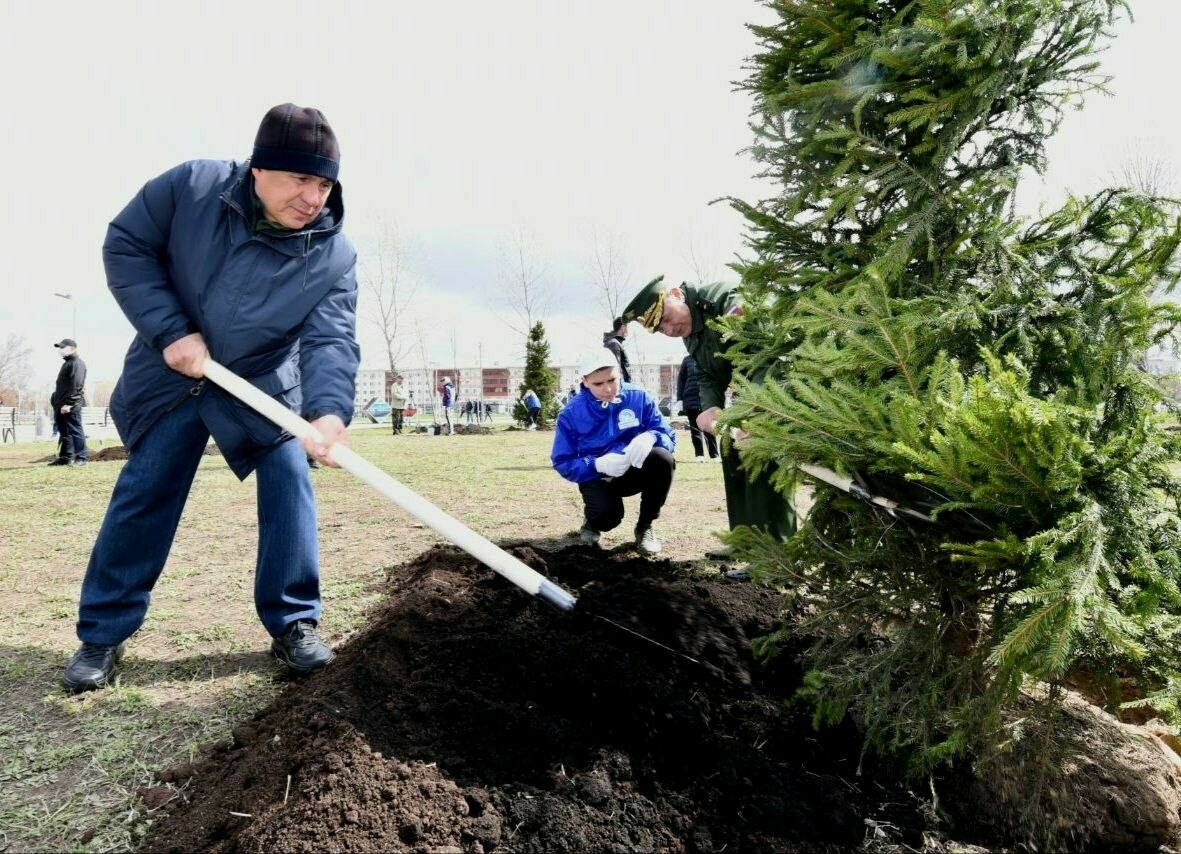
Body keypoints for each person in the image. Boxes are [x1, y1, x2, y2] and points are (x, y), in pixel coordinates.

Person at [62, 103, 359, 693]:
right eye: (300, 178)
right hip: (173, 371)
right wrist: (171, 330)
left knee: (289, 483)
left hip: (262, 383)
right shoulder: (192, 188)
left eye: (323, 183)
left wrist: (328, 411)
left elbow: (330, 336)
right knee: (146, 490)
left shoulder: (333, 254)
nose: (313, 197)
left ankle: (294, 622)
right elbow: (126, 245)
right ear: (259, 169)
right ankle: (103, 632)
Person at [622, 276, 796, 554]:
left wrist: (758, 408)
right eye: (661, 328)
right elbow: (706, 372)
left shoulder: (723, 299)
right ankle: (744, 541)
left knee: (763, 459)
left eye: (666, 318)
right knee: (732, 450)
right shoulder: (691, 334)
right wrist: (710, 408)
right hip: (749, 396)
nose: (669, 329)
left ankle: (777, 550)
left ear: (677, 294)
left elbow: (764, 349)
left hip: (778, 387)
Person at [552, 349, 676, 554]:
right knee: (607, 517)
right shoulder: (571, 413)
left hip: (632, 471)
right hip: (597, 476)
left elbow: (668, 436)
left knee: (662, 459)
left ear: (619, 372)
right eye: (598, 384)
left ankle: (645, 527)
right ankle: (592, 522)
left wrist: (652, 436)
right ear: (584, 381)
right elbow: (562, 461)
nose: (608, 389)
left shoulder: (639, 398)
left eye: (612, 380)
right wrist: (596, 464)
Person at [49, 338, 88, 467]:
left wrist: (69, 403)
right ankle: (65, 457)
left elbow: (76, 385)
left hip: (70, 405)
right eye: (60, 347)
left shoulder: (77, 363)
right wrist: (55, 400)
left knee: (75, 430)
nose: (60, 350)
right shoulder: (67, 363)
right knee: (64, 432)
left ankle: (81, 458)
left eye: (63, 347)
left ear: (73, 348)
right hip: (60, 404)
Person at [676, 353, 719, 462]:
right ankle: (699, 455)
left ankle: (715, 456)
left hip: (707, 399)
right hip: (690, 399)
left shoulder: (709, 358)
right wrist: (679, 399)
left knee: (709, 428)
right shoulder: (687, 360)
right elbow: (681, 380)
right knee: (695, 429)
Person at [602, 317, 632, 383]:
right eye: (627, 327)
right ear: (623, 327)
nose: (627, 330)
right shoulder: (614, 343)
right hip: (620, 387)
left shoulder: (614, 343)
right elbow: (614, 369)